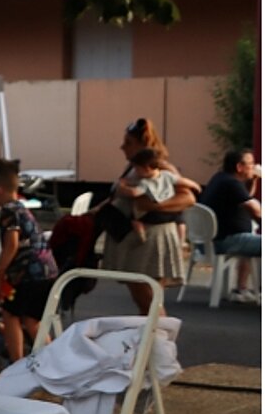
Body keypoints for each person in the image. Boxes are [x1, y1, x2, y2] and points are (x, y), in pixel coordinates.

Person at [96, 117, 200, 315]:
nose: (122, 147)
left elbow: (188, 198)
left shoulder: (159, 168)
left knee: (149, 300)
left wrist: (153, 205)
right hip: (136, 236)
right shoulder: (135, 167)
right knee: (145, 300)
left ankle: (161, 340)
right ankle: (150, 341)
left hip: (151, 236)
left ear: (142, 146)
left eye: (128, 143)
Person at [0, 159, 59, 362]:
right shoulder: (22, 208)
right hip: (47, 272)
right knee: (33, 321)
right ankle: (53, 361)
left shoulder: (8, 211)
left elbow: (12, 245)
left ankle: (17, 363)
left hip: (28, 275)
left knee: (9, 314)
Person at [199, 149, 262, 302]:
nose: (254, 167)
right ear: (239, 167)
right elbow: (255, 209)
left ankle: (241, 289)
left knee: (253, 240)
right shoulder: (231, 183)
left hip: (212, 240)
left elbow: (245, 197)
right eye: (251, 164)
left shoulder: (221, 178)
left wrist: (253, 180)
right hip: (227, 241)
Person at [109, 147, 178, 243]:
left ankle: (141, 235)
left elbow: (133, 193)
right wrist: (196, 187)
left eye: (137, 169)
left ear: (146, 169)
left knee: (134, 220)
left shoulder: (146, 183)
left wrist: (122, 187)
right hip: (171, 214)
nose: (136, 172)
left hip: (151, 213)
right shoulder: (166, 175)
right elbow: (183, 181)